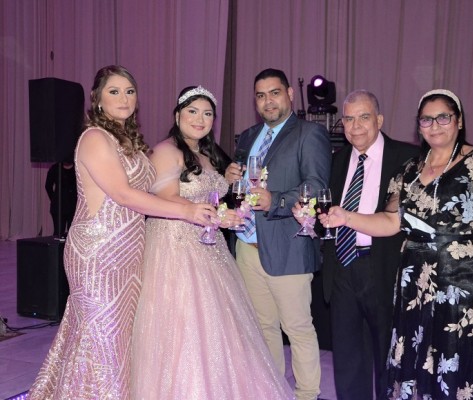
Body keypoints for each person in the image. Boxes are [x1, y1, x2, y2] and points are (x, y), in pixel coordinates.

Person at [27, 65, 217, 400]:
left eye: (130, 91)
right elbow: (123, 194)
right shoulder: (95, 138)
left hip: (129, 251)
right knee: (102, 340)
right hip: (98, 252)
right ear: (97, 98)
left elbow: (154, 189)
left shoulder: (129, 141)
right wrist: (187, 212)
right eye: (114, 91)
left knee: (117, 340)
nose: (124, 98)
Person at [320, 89, 473, 400]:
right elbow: (390, 221)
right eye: (426, 119)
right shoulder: (411, 169)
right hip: (417, 285)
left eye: (443, 117)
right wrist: (345, 217)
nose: (434, 125)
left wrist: (469, 247)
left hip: (464, 284)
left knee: (461, 366)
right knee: (424, 364)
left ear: (459, 121)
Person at [130, 85, 293, 399]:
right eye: (192, 111)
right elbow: (168, 199)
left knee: (221, 329)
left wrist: (228, 187)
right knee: (184, 326)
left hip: (209, 246)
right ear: (177, 115)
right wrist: (219, 216)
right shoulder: (166, 150)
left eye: (207, 114)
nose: (200, 119)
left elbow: (212, 197)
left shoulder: (206, 155)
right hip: (174, 247)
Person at [295, 89, 419, 399]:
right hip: (342, 268)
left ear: (380, 120)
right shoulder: (336, 160)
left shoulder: (407, 157)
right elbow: (329, 215)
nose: (355, 126)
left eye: (364, 117)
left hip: (386, 268)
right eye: (348, 119)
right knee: (349, 361)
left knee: (391, 360)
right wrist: (308, 218)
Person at [224, 68, 332, 400]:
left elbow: (316, 187)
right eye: (260, 95)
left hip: (288, 246)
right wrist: (231, 178)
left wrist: (277, 201)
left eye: (274, 93)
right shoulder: (248, 136)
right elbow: (240, 188)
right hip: (247, 246)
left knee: (297, 328)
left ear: (289, 94)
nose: (268, 101)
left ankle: (306, 395)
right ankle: (270, 392)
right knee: (262, 328)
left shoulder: (309, 133)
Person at [44, 158, 77, 237]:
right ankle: (58, 245)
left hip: (73, 206)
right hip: (58, 207)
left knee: (72, 233)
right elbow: (48, 186)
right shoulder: (55, 168)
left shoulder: (77, 168)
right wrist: (54, 199)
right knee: (58, 232)